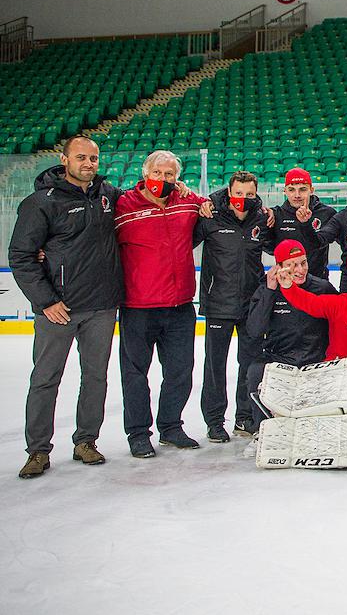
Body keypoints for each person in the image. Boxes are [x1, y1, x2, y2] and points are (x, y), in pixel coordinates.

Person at [10, 136, 122, 478]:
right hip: (59, 309)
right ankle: (38, 451)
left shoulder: (109, 196)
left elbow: (149, 199)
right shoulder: (41, 202)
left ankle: (86, 441)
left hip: (101, 306)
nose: (88, 163)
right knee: (45, 379)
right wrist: (45, 301)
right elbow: (21, 256)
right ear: (64, 159)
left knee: (96, 378)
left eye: (93, 158)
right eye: (81, 157)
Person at [115, 150, 211, 458]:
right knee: (134, 373)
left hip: (180, 305)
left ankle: (171, 427)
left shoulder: (186, 202)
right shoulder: (123, 205)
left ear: (177, 178)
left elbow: (213, 204)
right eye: (158, 173)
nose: (163, 179)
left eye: (170, 174)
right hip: (138, 306)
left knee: (181, 370)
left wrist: (198, 198)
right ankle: (139, 433)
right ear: (145, 174)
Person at [192, 172, 270, 442]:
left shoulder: (261, 218)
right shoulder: (210, 216)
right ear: (229, 192)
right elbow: (183, 243)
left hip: (250, 305)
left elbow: (277, 246)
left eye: (249, 194)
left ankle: (244, 418)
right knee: (215, 366)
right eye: (239, 194)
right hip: (218, 304)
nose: (243, 199)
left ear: (256, 194)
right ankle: (214, 421)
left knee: (248, 365)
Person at [244, 240, 339, 430]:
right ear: (278, 267)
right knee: (255, 372)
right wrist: (270, 291)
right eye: (292, 264)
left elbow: (340, 322)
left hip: (316, 359)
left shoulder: (323, 288)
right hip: (280, 359)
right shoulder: (267, 289)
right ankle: (261, 429)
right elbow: (254, 331)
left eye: (303, 263)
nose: (300, 269)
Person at [263, 167, 336, 280]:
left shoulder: (326, 213)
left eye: (302, 189)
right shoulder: (276, 215)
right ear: (285, 190)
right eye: (291, 190)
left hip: (317, 283)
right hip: (287, 283)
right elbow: (271, 249)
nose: (297, 195)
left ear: (311, 190)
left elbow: (321, 243)